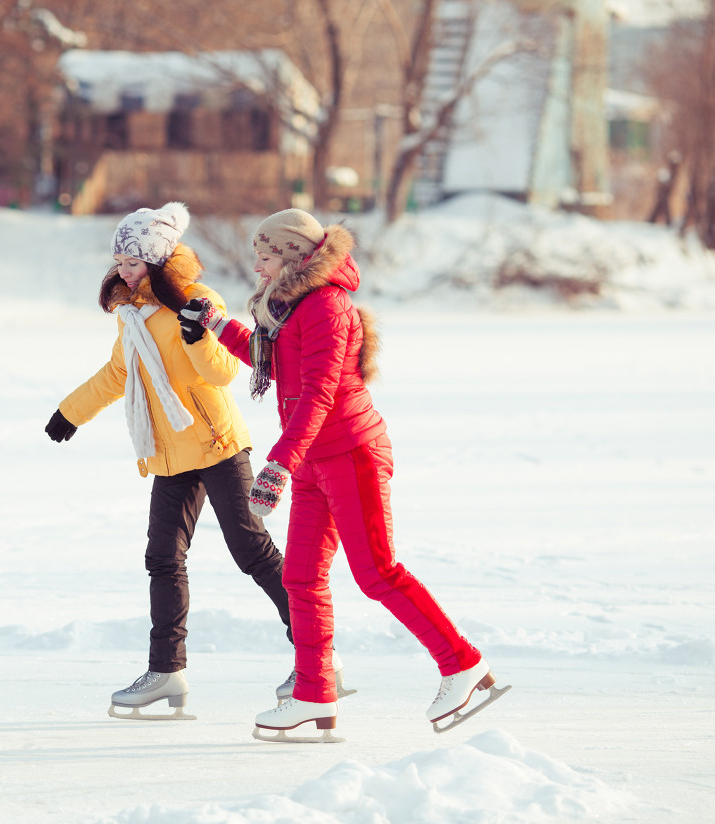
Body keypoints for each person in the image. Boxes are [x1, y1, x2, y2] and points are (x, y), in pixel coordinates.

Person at [179, 209, 503, 738]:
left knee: (377, 572)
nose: (256, 266)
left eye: (264, 256)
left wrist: (279, 461)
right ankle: (312, 695)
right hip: (313, 458)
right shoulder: (289, 304)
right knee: (300, 576)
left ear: (290, 257)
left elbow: (319, 392)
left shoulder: (327, 305)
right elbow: (274, 361)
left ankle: (461, 663)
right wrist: (215, 326)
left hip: (350, 452)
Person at [45, 201, 294, 719]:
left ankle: (316, 649)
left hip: (217, 443)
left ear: (157, 260)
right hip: (168, 450)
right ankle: (167, 671)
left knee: (250, 548)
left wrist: (197, 334)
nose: (121, 269)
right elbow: (119, 374)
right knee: (162, 558)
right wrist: (70, 412)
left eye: (131, 261)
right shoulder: (133, 314)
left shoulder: (199, 299)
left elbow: (223, 372)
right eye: (118, 260)